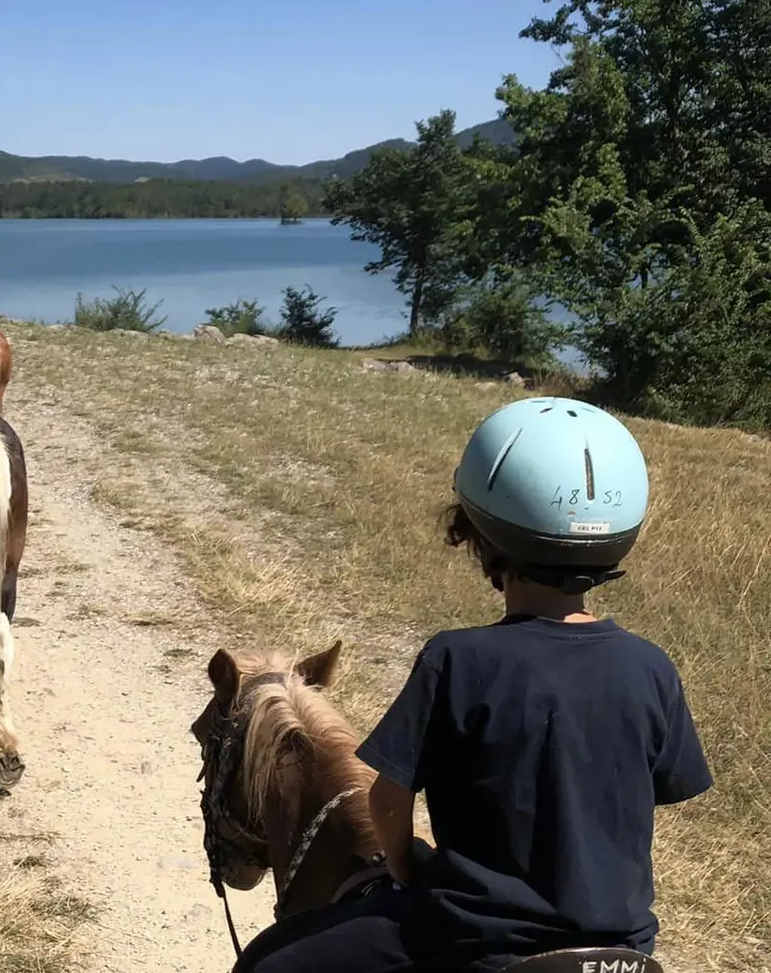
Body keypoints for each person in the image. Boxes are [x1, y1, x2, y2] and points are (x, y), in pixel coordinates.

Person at [236, 396, 712, 973]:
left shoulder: (457, 658)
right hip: (624, 954)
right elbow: (646, 794)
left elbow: (387, 799)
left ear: (481, 536)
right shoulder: (652, 667)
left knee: (269, 963)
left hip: (472, 943)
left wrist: (406, 863)